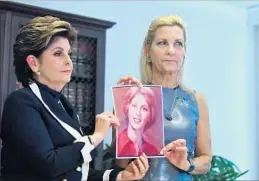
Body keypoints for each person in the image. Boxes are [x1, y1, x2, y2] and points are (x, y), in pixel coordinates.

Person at [0, 16, 149, 181]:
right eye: (58, 53)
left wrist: (120, 176)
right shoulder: (20, 102)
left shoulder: (65, 106)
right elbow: (50, 165)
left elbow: (78, 173)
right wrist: (96, 137)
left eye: (69, 53)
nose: (69, 61)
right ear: (34, 63)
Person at [115, 15, 212, 180]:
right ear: (147, 50)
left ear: (184, 52)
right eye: (162, 43)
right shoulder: (132, 97)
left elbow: (206, 161)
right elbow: (122, 164)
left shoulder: (197, 100)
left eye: (178, 44)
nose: (171, 51)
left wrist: (187, 164)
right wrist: (123, 106)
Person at [117, 86, 160, 157]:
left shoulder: (152, 150)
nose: (138, 113)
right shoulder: (117, 144)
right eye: (134, 106)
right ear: (127, 108)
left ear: (150, 115)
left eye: (144, 109)